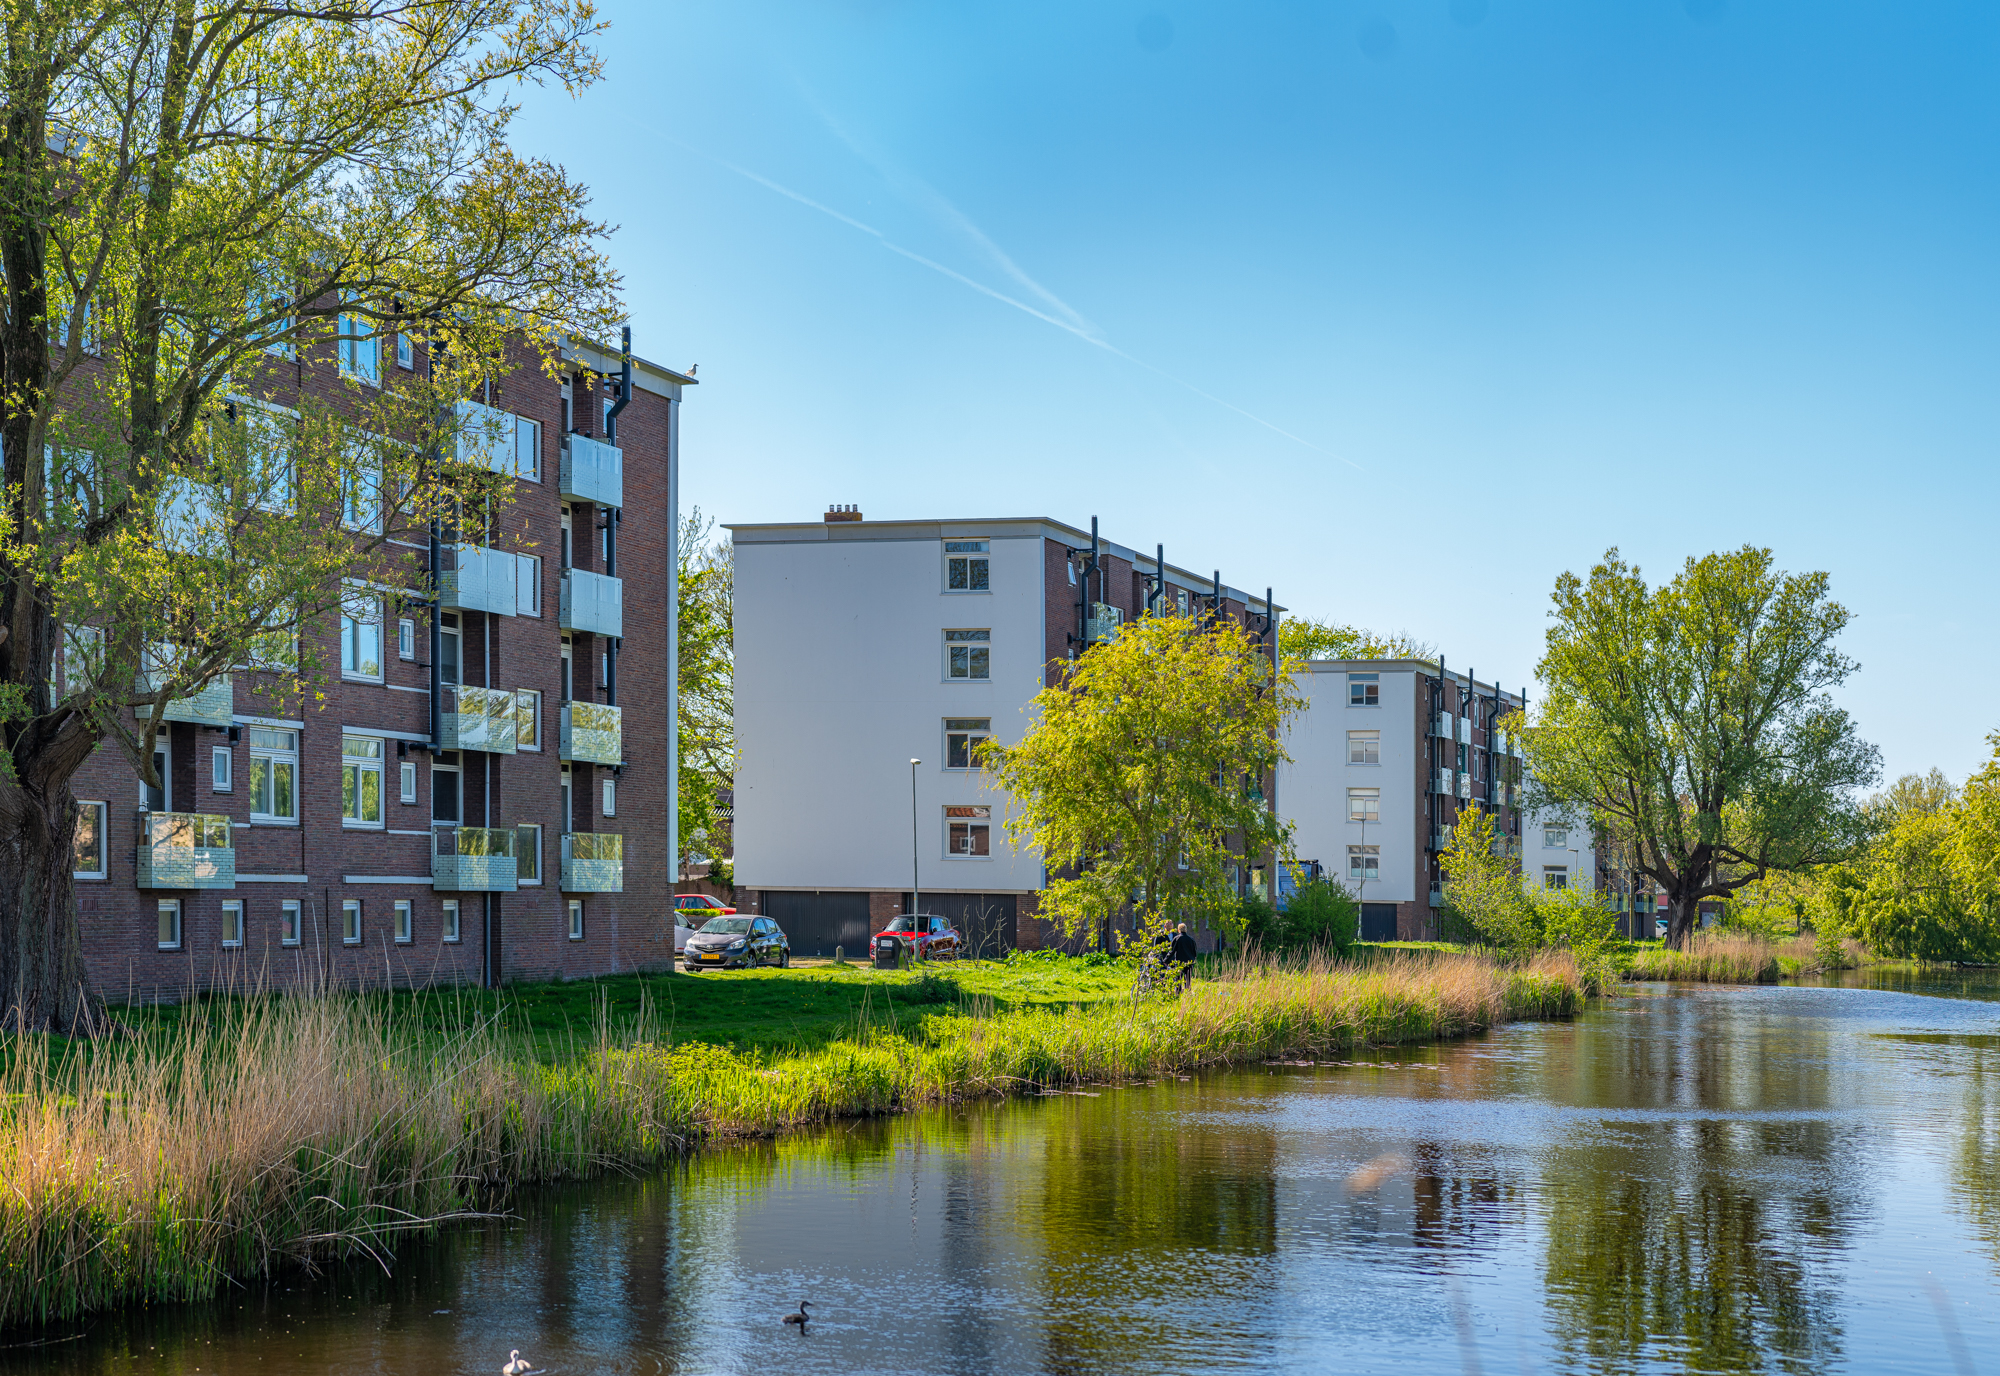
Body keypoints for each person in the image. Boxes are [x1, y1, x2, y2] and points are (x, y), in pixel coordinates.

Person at [1171, 921, 1199, 991]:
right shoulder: (1191, 940)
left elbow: (1172, 951)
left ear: (1178, 930)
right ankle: (1187, 994)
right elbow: (1194, 952)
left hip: (1179, 962)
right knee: (1188, 980)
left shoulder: (1176, 939)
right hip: (1189, 962)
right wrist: (1193, 959)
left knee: (1178, 980)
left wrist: (1166, 960)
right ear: (1186, 930)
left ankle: (1178, 993)